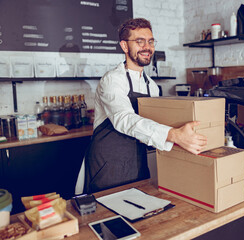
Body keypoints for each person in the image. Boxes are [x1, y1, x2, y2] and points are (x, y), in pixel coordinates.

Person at [84, 18, 207, 193]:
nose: (147, 47)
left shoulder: (152, 86)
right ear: (125, 46)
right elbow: (123, 119)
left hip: (137, 164)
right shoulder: (112, 80)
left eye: (150, 41)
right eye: (139, 41)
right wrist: (174, 135)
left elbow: (156, 125)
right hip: (108, 165)